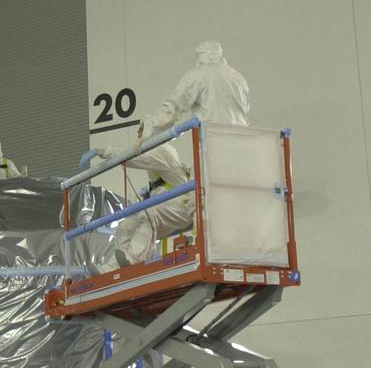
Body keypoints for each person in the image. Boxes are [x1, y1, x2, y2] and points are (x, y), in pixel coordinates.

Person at [88, 121, 195, 268]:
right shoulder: (158, 152)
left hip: (182, 206)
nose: (138, 134)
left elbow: (130, 157)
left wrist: (103, 151)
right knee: (125, 226)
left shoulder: (162, 150)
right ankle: (112, 268)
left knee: (149, 215)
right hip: (167, 206)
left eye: (141, 130)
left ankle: (133, 260)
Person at [147, 40, 250, 133]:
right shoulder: (239, 79)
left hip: (213, 141)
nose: (198, 62)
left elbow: (173, 107)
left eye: (200, 57)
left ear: (211, 56)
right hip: (241, 141)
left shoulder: (199, 74)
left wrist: (150, 130)